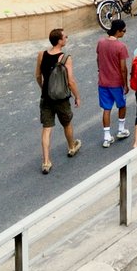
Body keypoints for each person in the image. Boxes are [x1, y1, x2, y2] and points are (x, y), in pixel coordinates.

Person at [36, 28, 81, 174]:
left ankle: (46, 161)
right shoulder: (66, 58)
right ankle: (71, 147)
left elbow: (37, 75)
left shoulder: (41, 54)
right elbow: (70, 81)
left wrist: (44, 88)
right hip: (61, 98)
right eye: (65, 37)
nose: (67, 38)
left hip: (46, 98)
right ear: (60, 41)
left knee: (47, 129)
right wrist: (77, 97)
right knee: (67, 123)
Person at [96, 18, 130, 146]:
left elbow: (98, 59)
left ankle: (107, 136)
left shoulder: (100, 43)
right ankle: (121, 129)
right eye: (124, 30)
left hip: (103, 82)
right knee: (121, 105)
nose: (124, 33)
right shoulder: (121, 47)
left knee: (106, 108)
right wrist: (125, 84)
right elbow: (123, 68)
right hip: (116, 83)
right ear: (118, 31)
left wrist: (101, 71)